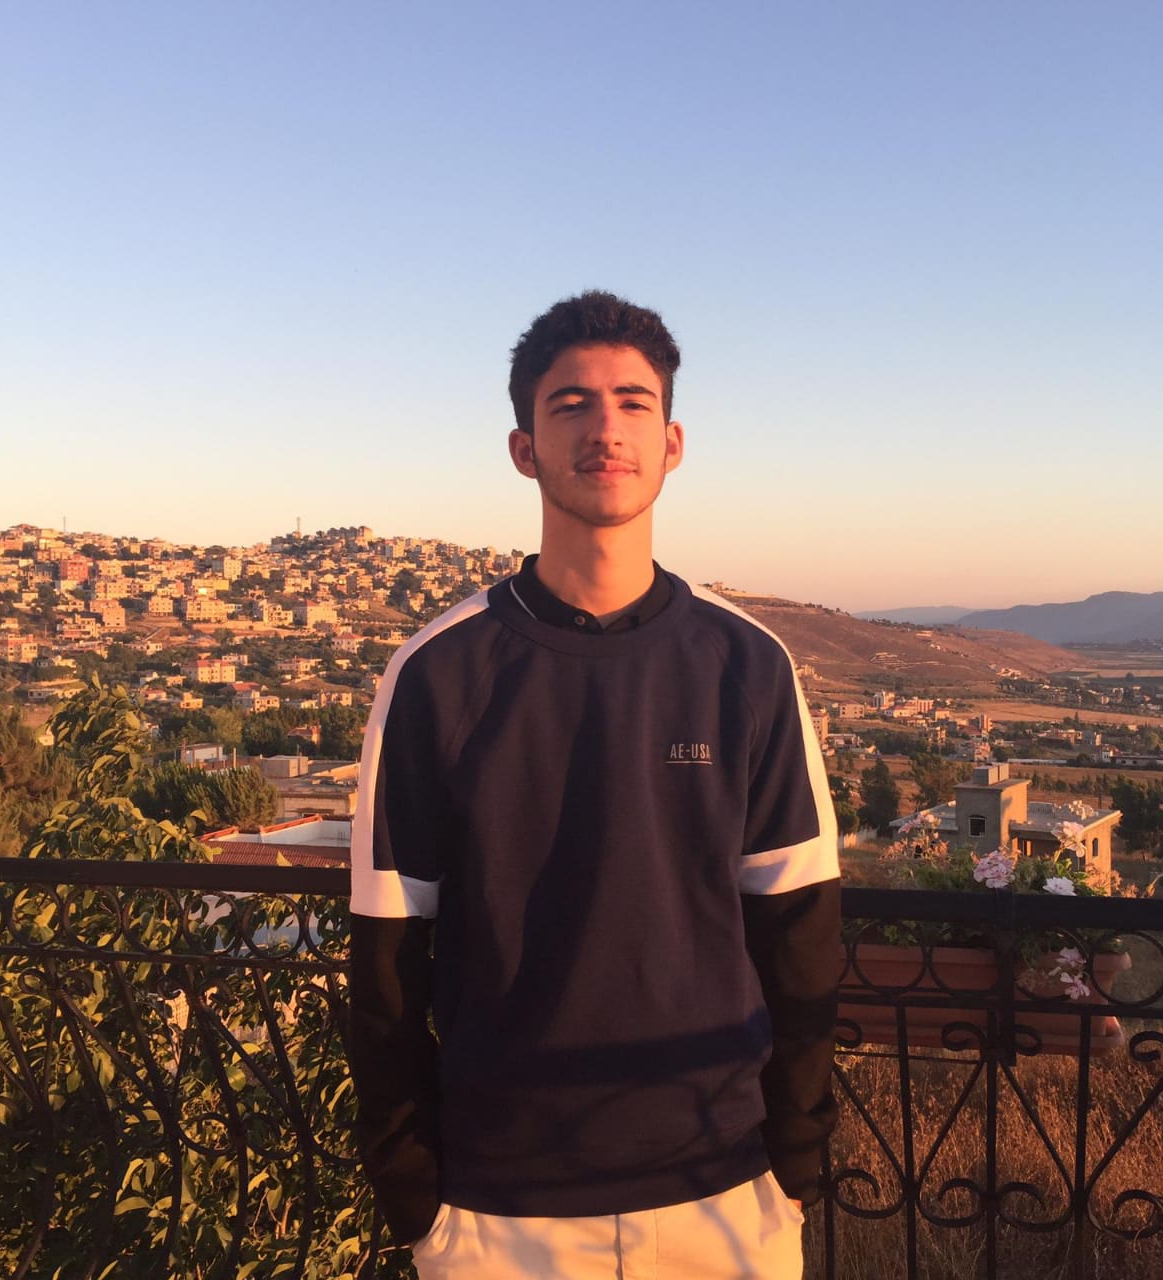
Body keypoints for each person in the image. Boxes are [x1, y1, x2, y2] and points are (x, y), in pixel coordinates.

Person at [349, 290, 840, 1279]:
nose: (604, 428)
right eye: (569, 404)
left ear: (672, 443)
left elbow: (801, 932)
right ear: (523, 448)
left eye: (631, 402)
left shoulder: (746, 663)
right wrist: (413, 1193)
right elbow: (387, 957)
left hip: (724, 1195)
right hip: (498, 1213)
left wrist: (792, 1166)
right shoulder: (437, 672)